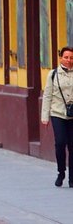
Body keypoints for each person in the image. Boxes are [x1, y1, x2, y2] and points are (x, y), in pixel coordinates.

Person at [41, 45, 73, 187]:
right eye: (66, 57)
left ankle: (72, 177)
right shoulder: (53, 74)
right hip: (57, 113)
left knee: (72, 146)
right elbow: (47, 95)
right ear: (61, 58)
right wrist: (45, 116)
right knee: (60, 143)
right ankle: (61, 172)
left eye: (71, 58)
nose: (69, 60)